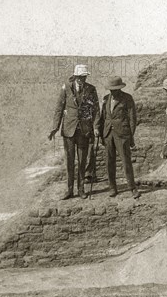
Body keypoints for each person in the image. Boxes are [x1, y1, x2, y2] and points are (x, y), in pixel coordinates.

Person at [49, 65, 100, 200]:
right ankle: (69, 190)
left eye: (84, 77)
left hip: (84, 130)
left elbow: (96, 109)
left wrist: (95, 127)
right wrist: (55, 127)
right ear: (75, 77)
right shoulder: (66, 88)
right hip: (68, 130)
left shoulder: (91, 89)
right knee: (69, 161)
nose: (82, 79)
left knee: (82, 160)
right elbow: (59, 108)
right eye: (80, 77)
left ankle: (81, 189)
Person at [98, 76, 140, 199]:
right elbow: (103, 117)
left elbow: (132, 118)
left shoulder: (127, 98)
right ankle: (112, 187)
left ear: (120, 88)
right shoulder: (106, 99)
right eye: (111, 89)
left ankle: (132, 188)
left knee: (126, 162)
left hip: (122, 134)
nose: (113, 91)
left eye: (115, 89)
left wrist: (130, 136)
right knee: (109, 162)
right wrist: (101, 134)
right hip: (108, 134)